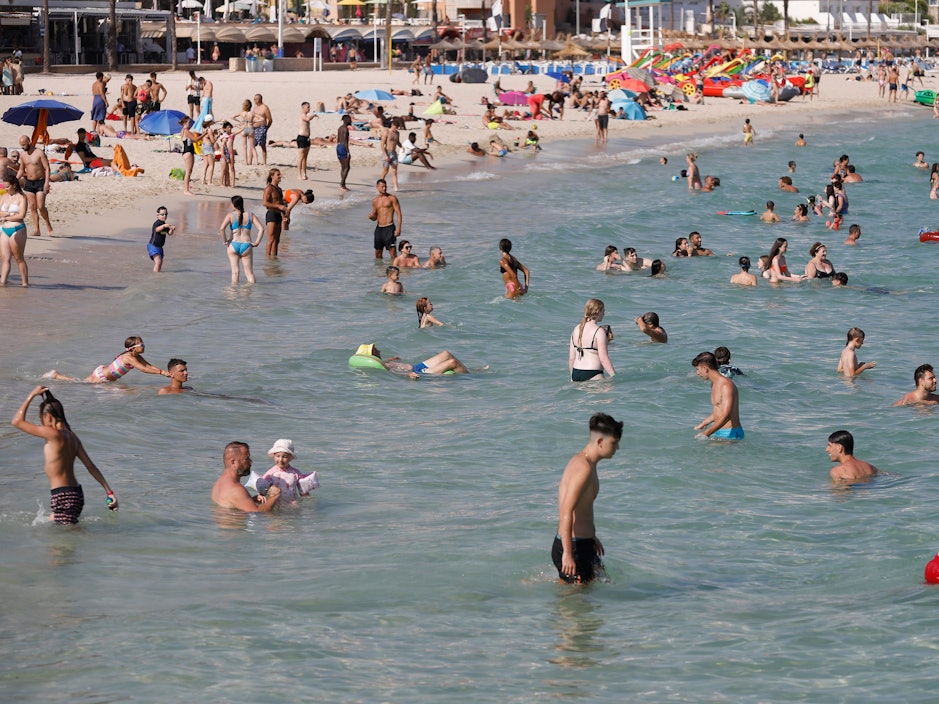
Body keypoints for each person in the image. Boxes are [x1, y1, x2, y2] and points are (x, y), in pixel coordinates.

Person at [12, 386, 119, 524]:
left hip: (63, 496)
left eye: (41, 418)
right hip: (76, 494)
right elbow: (90, 466)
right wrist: (109, 492)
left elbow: (17, 422)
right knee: (64, 536)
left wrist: (31, 395)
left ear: (48, 417)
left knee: (61, 543)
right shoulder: (73, 438)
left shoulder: (52, 434)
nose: (41, 423)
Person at [552, 413, 623, 584]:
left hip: (581, 543)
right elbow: (566, 511)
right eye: (613, 443)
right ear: (600, 442)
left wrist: (592, 536)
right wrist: (568, 554)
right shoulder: (583, 469)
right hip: (575, 548)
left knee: (601, 580)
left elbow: (580, 509)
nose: (617, 448)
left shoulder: (586, 463)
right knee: (578, 605)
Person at [44, 336, 168, 384]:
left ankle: (56, 375)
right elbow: (143, 369)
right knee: (80, 384)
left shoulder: (136, 356)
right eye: (142, 345)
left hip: (103, 372)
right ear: (132, 348)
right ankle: (56, 375)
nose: (144, 346)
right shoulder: (128, 357)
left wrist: (164, 372)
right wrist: (162, 373)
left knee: (80, 382)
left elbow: (149, 366)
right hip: (102, 377)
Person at [211, 442, 282, 513]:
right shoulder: (236, 490)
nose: (251, 462)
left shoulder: (219, 482)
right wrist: (274, 497)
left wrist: (250, 500)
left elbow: (232, 504)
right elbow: (258, 513)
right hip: (235, 524)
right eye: (246, 458)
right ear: (233, 462)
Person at [692, 351, 744, 440]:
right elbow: (719, 410)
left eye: (698, 369)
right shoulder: (714, 384)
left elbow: (727, 415)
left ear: (705, 368)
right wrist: (704, 423)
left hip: (731, 433)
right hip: (719, 430)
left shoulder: (726, 385)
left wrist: (706, 433)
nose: (697, 373)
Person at [254, 439, 319, 502]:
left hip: (293, 504)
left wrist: (310, 502)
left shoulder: (296, 473)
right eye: (278, 456)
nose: (281, 460)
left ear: (290, 457)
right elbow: (264, 488)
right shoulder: (271, 474)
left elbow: (303, 492)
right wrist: (260, 495)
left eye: (284, 457)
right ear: (274, 456)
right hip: (276, 504)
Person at [220, 195, 264, 284]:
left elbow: (221, 229)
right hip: (246, 245)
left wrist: (225, 241)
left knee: (235, 273)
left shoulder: (230, 215)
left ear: (233, 204)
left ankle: (234, 295)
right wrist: (257, 242)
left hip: (233, 244)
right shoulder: (251, 215)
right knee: (249, 273)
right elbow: (261, 229)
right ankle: (249, 294)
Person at [356, 343, 468, 379]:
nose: (379, 350)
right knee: (452, 362)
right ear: (372, 355)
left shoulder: (382, 362)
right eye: (376, 350)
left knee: (446, 354)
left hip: (416, 366)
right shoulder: (381, 367)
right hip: (420, 373)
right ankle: (471, 377)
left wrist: (393, 358)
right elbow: (394, 373)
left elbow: (387, 362)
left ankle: (467, 369)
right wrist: (408, 375)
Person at [569, 299, 615, 382]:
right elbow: (603, 359)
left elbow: (571, 358)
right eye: (603, 311)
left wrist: (572, 376)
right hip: (593, 373)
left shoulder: (576, 329)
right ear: (598, 311)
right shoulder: (599, 331)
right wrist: (614, 376)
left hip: (576, 372)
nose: (604, 313)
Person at [16, 135, 53, 237]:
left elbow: (47, 168)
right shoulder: (23, 155)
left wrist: (46, 183)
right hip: (29, 183)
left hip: (40, 182)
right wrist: (15, 180)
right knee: (32, 207)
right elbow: (21, 169)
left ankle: (48, 224)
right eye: (21, 145)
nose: (23, 147)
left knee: (40, 206)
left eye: (24, 144)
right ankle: (37, 229)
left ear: (29, 141)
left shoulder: (39, 153)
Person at [1, 175, 29, 286]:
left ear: (14, 185)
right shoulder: (4, 197)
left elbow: (21, 215)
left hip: (18, 229)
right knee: (5, 258)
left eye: (7, 187)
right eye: (4, 186)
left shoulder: (22, 197)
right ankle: (3, 282)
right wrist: (9, 214)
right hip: (5, 229)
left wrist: (5, 218)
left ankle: (25, 283)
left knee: (19, 258)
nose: (5, 189)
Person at [369, 179, 402, 260]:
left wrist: (398, 228)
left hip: (389, 228)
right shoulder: (375, 201)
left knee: (393, 254)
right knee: (378, 254)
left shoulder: (392, 198)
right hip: (379, 229)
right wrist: (371, 217)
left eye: (385, 186)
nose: (384, 188)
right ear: (377, 187)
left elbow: (399, 214)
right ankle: (379, 271)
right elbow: (375, 217)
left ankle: (395, 271)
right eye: (382, 186)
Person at [262, 168, 288, 256]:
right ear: (272, 176)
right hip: (271, 214)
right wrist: (278, 206)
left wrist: (283, 215)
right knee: (271, 238)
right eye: (278, 175)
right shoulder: (269, 188)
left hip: (278, 215)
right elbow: (265, 203)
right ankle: (268, 258)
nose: (280, 176)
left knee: (277, 239)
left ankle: (274, 260)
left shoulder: (279, 189)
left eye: (280, 174)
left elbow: (280, 203)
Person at [148, 205, 176, 273]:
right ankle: (155, 276)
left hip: (160, 247)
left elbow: (169, 234)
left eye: (166, 214)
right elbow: (157, 230)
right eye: (162, 214)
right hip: (153, 245)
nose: (164, 216)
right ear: (158, 215)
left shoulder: (165, 225)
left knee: (160, 262)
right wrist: (164, 226)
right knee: (158, 261)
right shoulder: (157, 223)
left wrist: (172, 229)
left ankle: (157, 273)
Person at [179, 116, 200, 196]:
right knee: (188, 172)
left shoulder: (184, 131)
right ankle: (186, 190)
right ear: (185, 123)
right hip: (188, 152)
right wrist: (204, 134)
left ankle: (186, 188)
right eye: (188, 122)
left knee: (189, 171)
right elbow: (195, 140)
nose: (190, 124)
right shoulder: (185, 131)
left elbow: (194, 137)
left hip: (188, 152)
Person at [380, 118, 402, 191]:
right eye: (395, 127)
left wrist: (402, 147)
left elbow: (397, 142)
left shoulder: (397, 133)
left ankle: (396, 187)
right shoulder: (387, 132)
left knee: (394, 171)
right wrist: (386, 155)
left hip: (394, 153)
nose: (396, 129)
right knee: (386, 170)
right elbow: (382, 145)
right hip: (387, 152)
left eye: (397, 128)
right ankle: (380, 184)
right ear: (392, 125)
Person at [337, 114, 352, 191]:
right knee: (347, 167)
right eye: (350, 119)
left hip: (338, 147)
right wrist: (348, 152)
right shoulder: (345, 129)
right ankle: (341, 184)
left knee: (343, 167)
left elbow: (338, 140)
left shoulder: (340, 128)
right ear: (346, 120)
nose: (351, 120)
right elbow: (345, 142)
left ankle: (343, 185)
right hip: (343, 147)